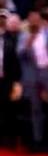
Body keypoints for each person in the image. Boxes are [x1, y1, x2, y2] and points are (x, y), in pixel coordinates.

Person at [18, 10, 48, 150]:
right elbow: (20, 54)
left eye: (36, 19)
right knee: (36, 108)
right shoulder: (23, 36)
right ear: (28, 21)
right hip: (32, 75)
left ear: (40, 20)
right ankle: (38, 140)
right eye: (31, 19)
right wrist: (29, 42)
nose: (34, 22)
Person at [0, 11, 20, 148]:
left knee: (9, 110)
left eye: (3, 18)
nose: (1, 21)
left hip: (7, 80)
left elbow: (15, 62)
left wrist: (16, 82)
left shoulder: (12, 38)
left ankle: (11, 139)